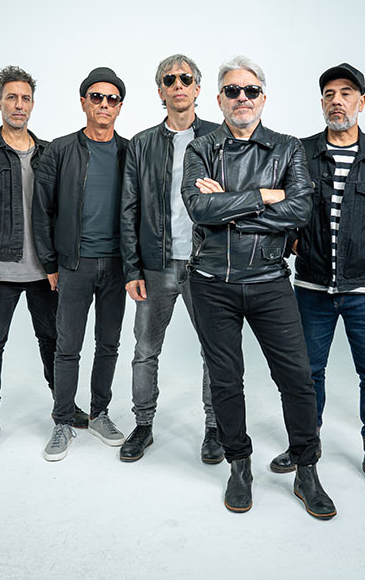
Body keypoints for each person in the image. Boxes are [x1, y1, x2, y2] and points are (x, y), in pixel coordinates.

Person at [182, 56, 336, 519]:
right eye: (232, 90)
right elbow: (198, 209)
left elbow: (300, 211)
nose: (242, 98)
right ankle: (239, 466)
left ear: (263, 98)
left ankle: (307, 470)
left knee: (297, 378)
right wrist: (266, 196)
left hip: (269, 281)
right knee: (226, 381)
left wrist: (229, 207)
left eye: (250, 90)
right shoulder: (201, 148)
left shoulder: (288, 148)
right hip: (212, 283)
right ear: (219, 99)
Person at [270, 63, 365, 495]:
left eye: (346, 93)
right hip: (312, 287)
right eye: (330, 94)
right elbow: (282, 201)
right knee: (307, 373)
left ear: (362, 103)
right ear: (321, 103)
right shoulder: (300, 152)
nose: (337, 101)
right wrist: (294, 242)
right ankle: (305, 445)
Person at [119, 54, 223, 464]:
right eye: (169, 79)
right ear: (160, 91)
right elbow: (128, 209)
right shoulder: (142, 143)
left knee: (214, 350)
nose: (178, 85)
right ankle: (143, 425)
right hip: (156, 264)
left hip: (206, 262)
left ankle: (214, 427)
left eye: (185, 78)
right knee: (145, 350)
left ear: (197, 88)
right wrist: (132, 268)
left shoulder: (220, 137)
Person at [0, 65, 68, 450]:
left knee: (53, 340)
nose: (19, 105)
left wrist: (57, 265)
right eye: (11, 98)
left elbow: (60, 213)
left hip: (45, 272)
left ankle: (63, 407)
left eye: (25, 98)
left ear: (32, 104)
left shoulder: (50, 152)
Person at [32, 67, 129, 461]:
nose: (104, 104)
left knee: (109, 343)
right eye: (96, 97)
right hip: (74, 264)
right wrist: (50, 263)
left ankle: (99, 414)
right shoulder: (59, 150)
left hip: (118, 265)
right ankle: (62, 420)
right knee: (67, 346)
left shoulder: (130, 152)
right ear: (83, 102)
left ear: (119, 107)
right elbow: (41, 211)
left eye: (112, 98)